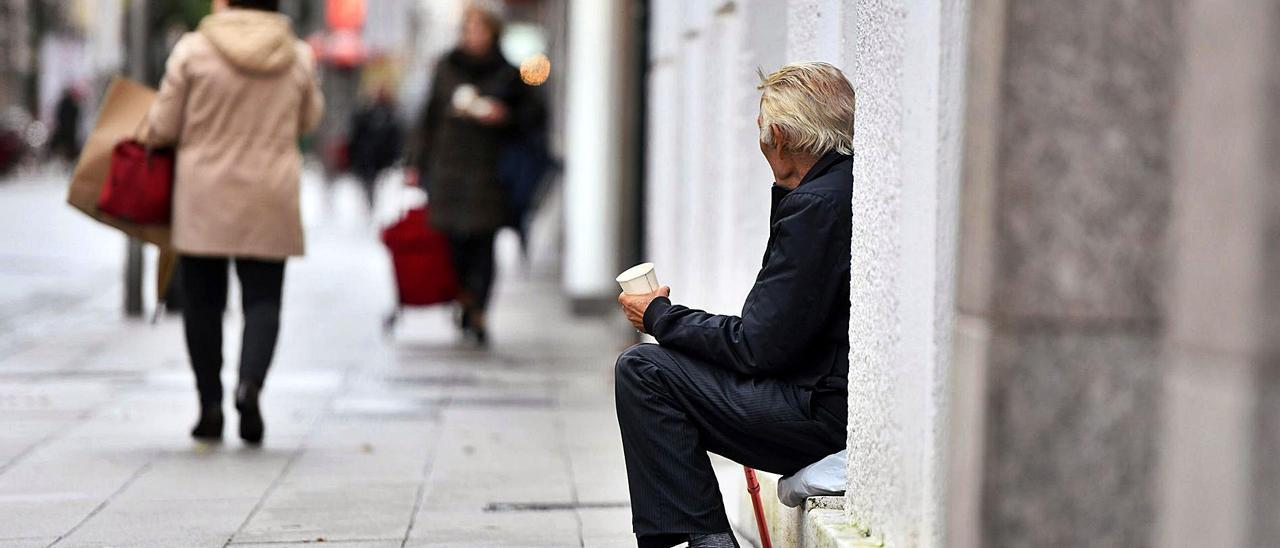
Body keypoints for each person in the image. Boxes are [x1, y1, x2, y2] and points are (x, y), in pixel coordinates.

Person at [613, 62, 854, 548]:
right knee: (662, 369)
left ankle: (707, 543)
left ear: (780, 136)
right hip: (825, 396)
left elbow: (758, 347)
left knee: (644, 371)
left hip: (818, 414)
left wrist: (659, 316)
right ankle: (701, 538)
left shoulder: (816, 207)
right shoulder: (839, 189)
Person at [145, 0, 324, 444]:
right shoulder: (297, 55)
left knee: (203, 301)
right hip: (270, 190)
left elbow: (163, 125)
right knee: (263, 299)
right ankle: (251, 386)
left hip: (204, 191)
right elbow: (310, 118)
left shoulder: (193, 50)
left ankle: (209, 404)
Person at [410, 6, 534, 346]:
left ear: (493, 34)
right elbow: (428, 117)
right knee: (453, 243)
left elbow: (531, 117)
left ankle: (478, 307)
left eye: (480, 30)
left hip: (489, 171)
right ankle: (463, 296)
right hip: (448, 168)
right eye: (468, 29)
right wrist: (415, 163)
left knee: (484, 243)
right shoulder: (446, 67)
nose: (473, 36)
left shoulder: (509, 73)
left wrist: (502, 115)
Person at [348, 87, 402, 212]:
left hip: (381, 160)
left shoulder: (392, 116)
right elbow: (356, 136)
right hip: (367, 159)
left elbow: (395, 140)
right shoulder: (364, 114)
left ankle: (374, 209)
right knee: (369, 186)